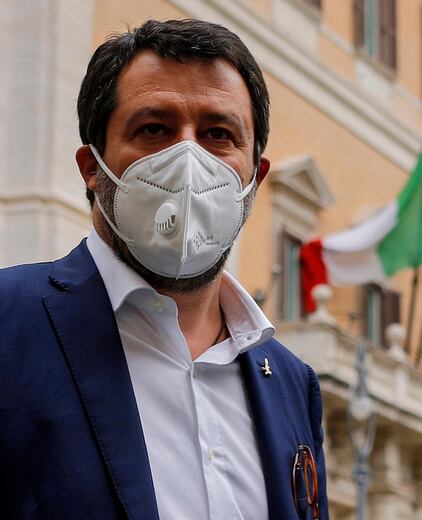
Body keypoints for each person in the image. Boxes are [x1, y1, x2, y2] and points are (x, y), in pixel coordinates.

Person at [0, 19, 327, 519]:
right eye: (154, 129)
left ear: (254, 179)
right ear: (92, 167)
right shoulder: (10, 324)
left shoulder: (289, 382)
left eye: (218, 134)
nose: (187, 159)